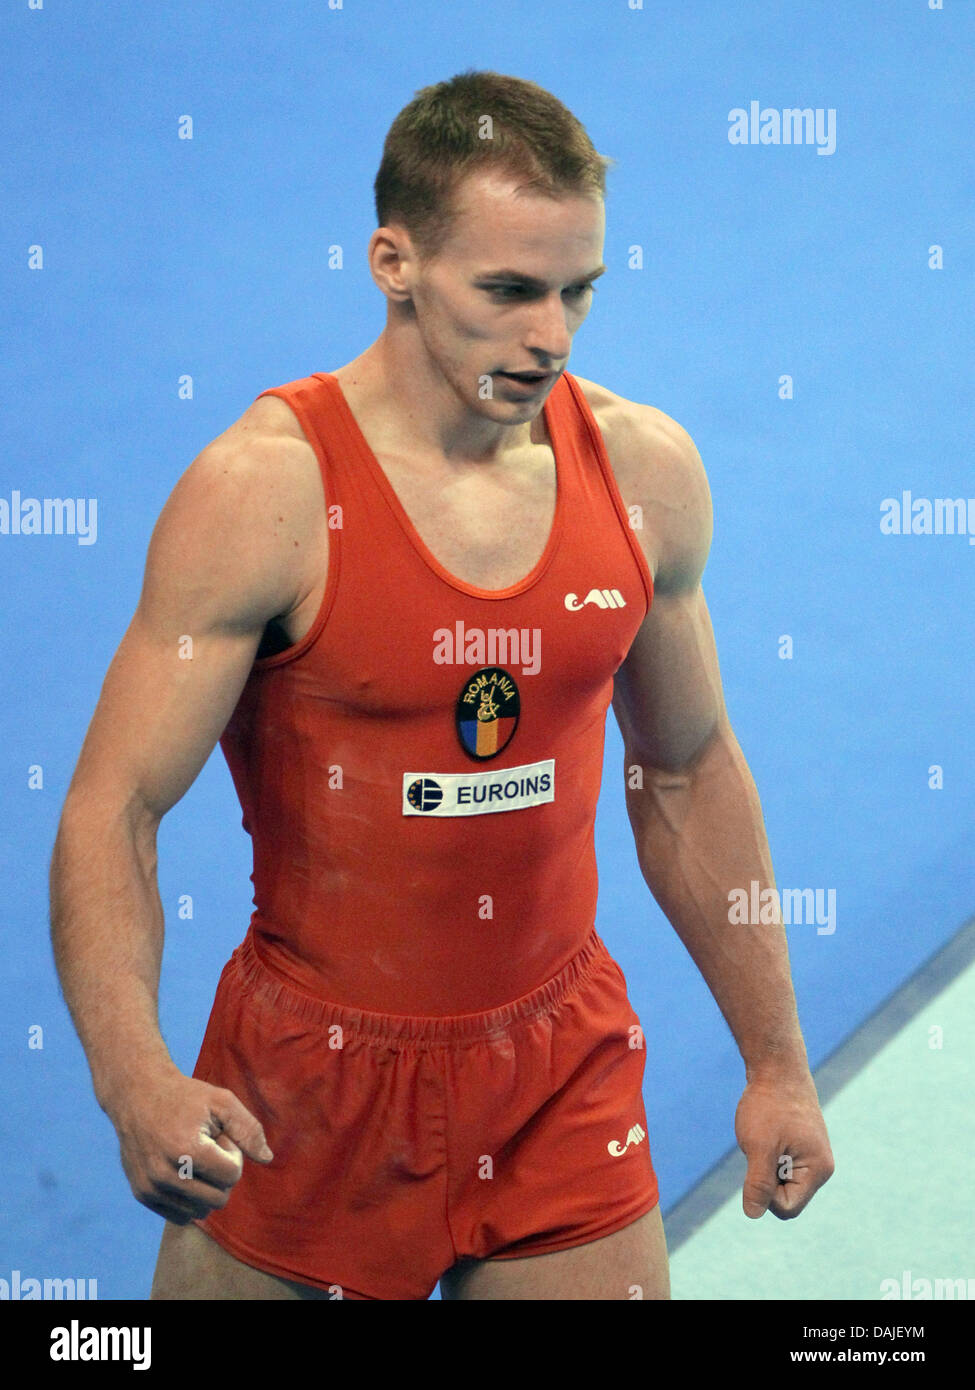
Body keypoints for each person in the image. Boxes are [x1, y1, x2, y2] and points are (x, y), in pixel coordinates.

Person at [49, 69, 834, 1301]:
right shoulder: (265, 494)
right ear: (394, 262)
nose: (554, 336)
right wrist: (132, 1074)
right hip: (305, 1091)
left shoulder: (644, 474)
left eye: (580, 290)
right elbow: (114, 808)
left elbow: (686, 769)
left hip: (557, 1071)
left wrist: (778, 1063)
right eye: (511, 291)